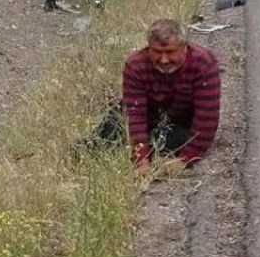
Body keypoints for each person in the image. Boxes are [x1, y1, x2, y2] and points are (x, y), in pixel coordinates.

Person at [91, 19, 222, 174]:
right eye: (157, 52)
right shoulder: (135, 65)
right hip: (150, 115)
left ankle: (142, 150)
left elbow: (206, 117)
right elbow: (135, 114)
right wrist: (141, 161)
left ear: (184, 48)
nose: (164, 60)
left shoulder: (203, 63)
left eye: (170, 52)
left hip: (180, 122)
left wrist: (185, 159)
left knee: (172, 142)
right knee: (106, 133)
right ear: (148, 48)